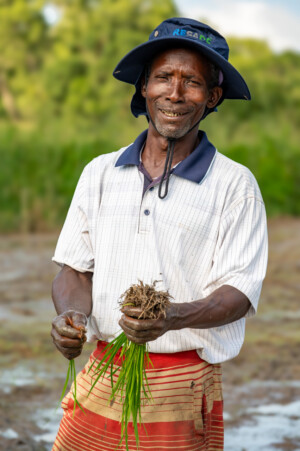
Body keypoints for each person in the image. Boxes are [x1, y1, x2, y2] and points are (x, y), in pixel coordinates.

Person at [51, 17, 268, 451]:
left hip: (181, 386)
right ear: (144, 89)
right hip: (101, 373)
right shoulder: (100, 173)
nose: (174, 93)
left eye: (192, 83)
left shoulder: (234, 185)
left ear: (212, 97)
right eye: (163, 78)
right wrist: (69, 316)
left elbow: (239, 292)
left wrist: (173, 316)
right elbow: (75, 270)